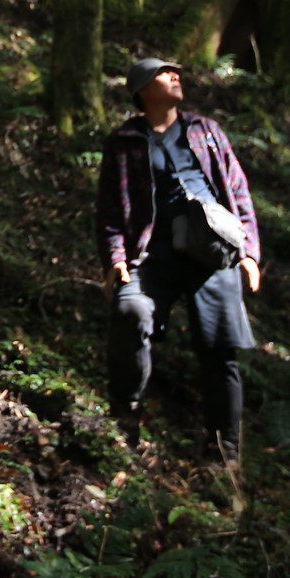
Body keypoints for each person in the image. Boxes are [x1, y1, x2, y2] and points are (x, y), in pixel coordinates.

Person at [96, 57, 261, 460]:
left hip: (213, 252)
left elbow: (237, 190)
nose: (175, 76)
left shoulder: (206, 131)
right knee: (130, 311)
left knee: (220, 349)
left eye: (177, 72)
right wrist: (115, 257)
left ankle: (225, 454)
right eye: (163, 73)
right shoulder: (125, 140)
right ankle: (125, 422)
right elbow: (110, 207)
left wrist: (250, 253)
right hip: (153, 254)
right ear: (142, 88)